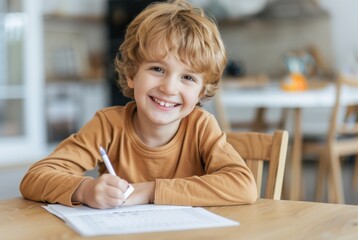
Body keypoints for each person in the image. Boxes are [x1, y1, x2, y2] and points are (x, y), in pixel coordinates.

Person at [20, 0, 257, 209]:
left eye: (188, 77)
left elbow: (243, 185)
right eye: (157, 69)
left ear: (201, 92)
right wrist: (86, 190)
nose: (169, 88)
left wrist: (149, 191)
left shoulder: (201, 127)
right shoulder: (108, 125)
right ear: (132, 74)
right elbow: (35, 178)